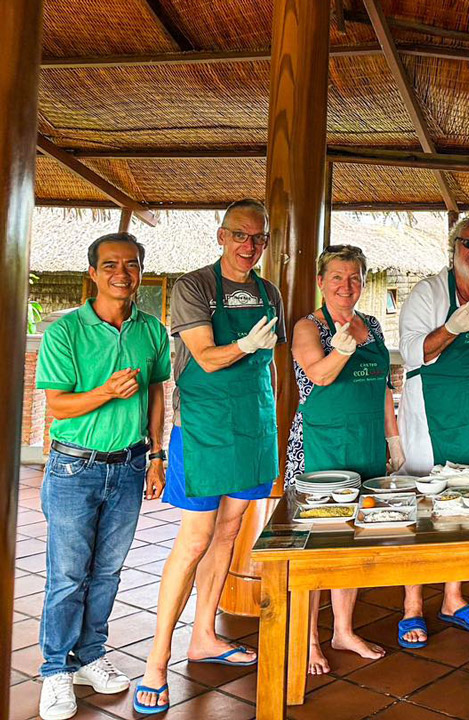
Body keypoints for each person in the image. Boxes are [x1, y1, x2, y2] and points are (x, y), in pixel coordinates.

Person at [137, 200, 285, 714]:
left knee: (230, 530)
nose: (250, 247)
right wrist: (244, 344)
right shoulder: (193, 287)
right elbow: (204, 356)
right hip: (203, 427)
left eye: (259, 239)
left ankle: (204, 636)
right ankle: (156, 661)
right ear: (222, 236)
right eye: (241, 236)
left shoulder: (270, 292)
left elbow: (271, 367)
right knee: (196, 536)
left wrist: (273, 423)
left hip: (253, 426)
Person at [35, 234, 170, 720]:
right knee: (68, 575)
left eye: (131, 265)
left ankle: (90, 656)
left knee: (108, 573)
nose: (122, 273)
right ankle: (54, 670)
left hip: (131, 466)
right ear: (92, 272)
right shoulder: (65, 332)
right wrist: (107, 392)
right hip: (74, 466)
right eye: (110, 265)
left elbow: (157, 394)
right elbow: (57, 406)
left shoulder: (152, 331)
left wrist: (157, 455)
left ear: (140, 272)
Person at [397, 217, 469, 641]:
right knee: (425, 506)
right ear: (453, 245)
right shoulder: (427, 292)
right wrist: (449, 329)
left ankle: (452, 596)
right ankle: (412, 605)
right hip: (435, 409)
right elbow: (412, 352)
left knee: (468, 506)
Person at [286, 245, 400, 672]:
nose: (346, 286)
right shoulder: (307, 326)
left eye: (354, 277)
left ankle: (344, 630)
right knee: (318, 546)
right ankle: (310, 638)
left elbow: (383, 387)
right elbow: (319, 373)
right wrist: (344, 348)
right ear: (321, 282)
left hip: (367, 445)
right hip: (320, 447)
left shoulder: (372, 324)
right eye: (337, 277)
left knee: (354, 541)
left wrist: (394, 441)